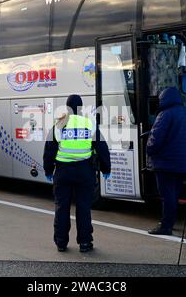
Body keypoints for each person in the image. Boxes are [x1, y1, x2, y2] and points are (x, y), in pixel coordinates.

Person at [43, 94, 111, 253]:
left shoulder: (59, 124)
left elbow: (49, 150)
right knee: (83, 208)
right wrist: (106, 169)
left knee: (62, 207)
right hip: (84, 171)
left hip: (63, 172)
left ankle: (61, 242)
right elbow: (102, 148)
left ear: (67, 107)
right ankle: (85, 243)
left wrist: (48, 170)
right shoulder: (89, 123)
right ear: (80, 108)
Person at [146, 87, 186, 235]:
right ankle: (170, 221)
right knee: (174, 194)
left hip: (166, 163)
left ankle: (166, 226)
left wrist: (149, 150)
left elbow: (155, 139)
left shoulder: (165, 115)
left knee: (167, 195)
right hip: (185, 163)